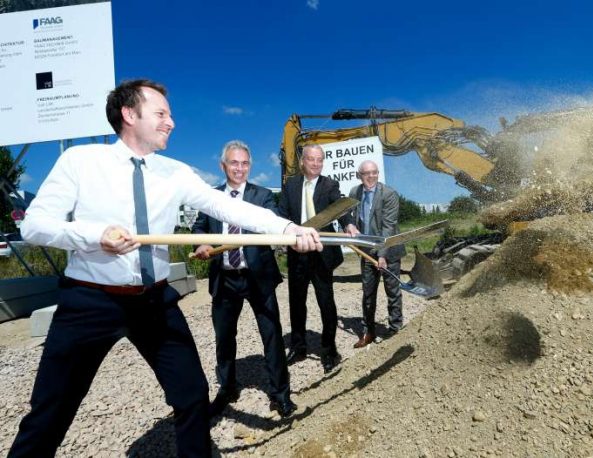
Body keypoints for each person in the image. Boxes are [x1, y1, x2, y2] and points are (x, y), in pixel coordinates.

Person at [8, 79, 321, 458]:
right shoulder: (81, 162)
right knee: (51, 411)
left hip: (153, 302)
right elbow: (35, 225)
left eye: (169, 114)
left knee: (191, 395)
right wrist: (95, 235)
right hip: (89, 301)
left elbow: (228, 207)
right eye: (161, 113)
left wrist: (287, 229)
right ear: (129, 114)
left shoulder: (175, 173)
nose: (171, 122)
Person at [192, 140, 296, 418]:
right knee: (224, 338)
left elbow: (271, 221)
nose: (240, 168)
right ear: (223, 166)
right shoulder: (211, 198)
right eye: (234, 163)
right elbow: (199, 229)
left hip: (258, 277)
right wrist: (200, 245)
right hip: (225, 279)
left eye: (245, 163)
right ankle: (227, 388)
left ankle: (280, 395)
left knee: (272, 336)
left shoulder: (262, 196)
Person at [278, 144, 357, 373]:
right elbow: (282, 214)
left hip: (322, 253)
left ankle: (329, 350)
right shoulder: (291, 185)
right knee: (296, 302)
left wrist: (349, 223)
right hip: (298, 252)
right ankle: (298, 346)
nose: (315, 163)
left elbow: (340, 207)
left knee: (326, 303)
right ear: (303, 161)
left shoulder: (329, 185)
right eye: (311, 159)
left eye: (319, 160)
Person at [349, 160, 406, 348]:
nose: (370, 176)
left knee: (393, 291)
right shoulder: (354, 193)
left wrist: (382, 255)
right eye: (366, 173)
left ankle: (396, 329)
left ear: (378, 173)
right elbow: (350, 217)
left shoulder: (389, 195)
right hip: (367, 251)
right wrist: (348, 226)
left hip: (388, 250)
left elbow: (388, 228)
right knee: (368, 293)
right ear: (359, 175)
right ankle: (368, 332)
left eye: (374, 172)